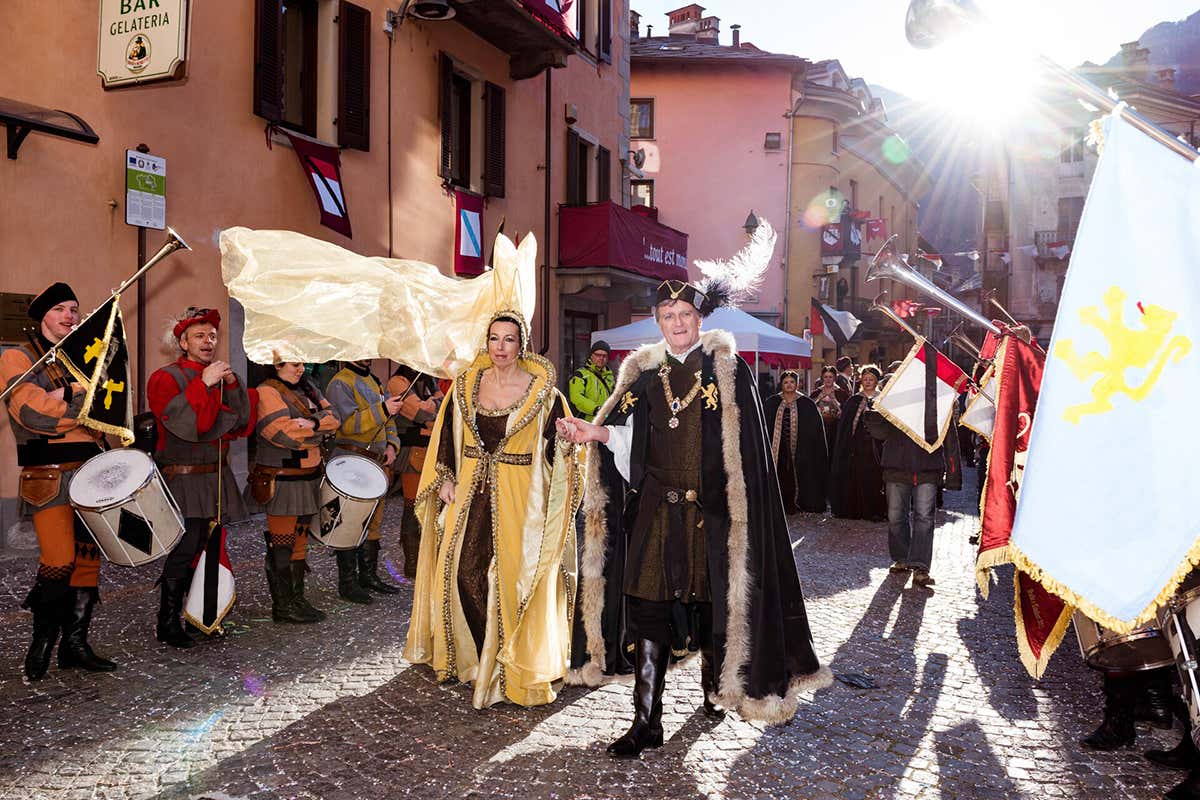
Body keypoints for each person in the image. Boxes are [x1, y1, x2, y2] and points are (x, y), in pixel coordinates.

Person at [559, 277, 830, 758]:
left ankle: (714, 687)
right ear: (659, 322)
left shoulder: (727, 370)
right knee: (648, 613)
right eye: (668, 315)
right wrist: (594, 434)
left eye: (685, 314)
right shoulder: (642, 375)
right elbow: (627, 440)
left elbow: (747, 456)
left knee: (713, 605)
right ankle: (647, 722)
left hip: (713, 517)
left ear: (699, 319)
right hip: (657, 514)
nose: (677, 323)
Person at [403, 311, 581, 709]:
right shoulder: (466, 386)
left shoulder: (544, 395)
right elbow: (448, 436)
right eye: (494, 339)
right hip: (469, 493)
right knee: (464, 573)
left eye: (509, 340)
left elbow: (559, 448)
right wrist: (446, 477)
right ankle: (474, 657)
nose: (500, 348)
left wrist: (569, 442)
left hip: (519, 498)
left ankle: (506, 665)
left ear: (522, 345)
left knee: (512, 580)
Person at [1, 282, 115, 679]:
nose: (70, 315)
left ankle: (75, 646)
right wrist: (81, 401)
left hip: (91, 472)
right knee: (58, 561)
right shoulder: (19, 358)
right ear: (43, 315)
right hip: (48, 476)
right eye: (61, 309)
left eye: (74, 309)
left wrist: (69, 394)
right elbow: (33, 413)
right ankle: (41, 647)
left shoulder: (81, 361)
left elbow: (108, 415)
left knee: (87, 562)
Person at [147, 307, 253, 647]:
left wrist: (232, 384)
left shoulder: (218, 376)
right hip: (185, 478)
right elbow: (185, 425)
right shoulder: (165, 377)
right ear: (182, 341)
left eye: (213, 336)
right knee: (185, 548)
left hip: (214, 478)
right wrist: (203, 384)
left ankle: (199, 614)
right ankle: (167, 622)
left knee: (208, 548)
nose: (208, 342)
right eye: (199, 336)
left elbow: (240, 422)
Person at [250, 358, 340, 624]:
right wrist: (318, 431)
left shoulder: (309, 387)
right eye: (293, 364)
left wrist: (310, 425)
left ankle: (296, 598)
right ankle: (283, 605)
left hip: (307, 478)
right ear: (276, 365)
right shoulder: (267, 391)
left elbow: (335, 419)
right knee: (281, 544)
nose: (301, 369)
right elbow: (281, 433)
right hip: (282, 480)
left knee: (300, 542)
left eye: (302, 363)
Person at [326, 360, 403, 603]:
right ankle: (347, 583)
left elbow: (389, 421)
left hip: (376, 463)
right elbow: (347, 426)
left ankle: (368, 575)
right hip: (351, 461)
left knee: (373, 521)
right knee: (349, 522)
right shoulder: (340, 382)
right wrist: (382, 409)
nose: (368, 354)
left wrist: (392, 445)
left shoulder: (375, 380)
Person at [864, 400, 961, 587]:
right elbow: (880, 433)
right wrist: (874, 412)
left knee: (924, 517)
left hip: (927, 468)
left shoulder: (938, 401)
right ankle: (902, 557)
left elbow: (950, 438)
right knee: (895, 516)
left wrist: (953, 474)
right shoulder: (896, 397)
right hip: (897, 467)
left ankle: (920, 565)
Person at [386, 365, 442, 579]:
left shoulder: (428, 379)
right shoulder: (398, 381)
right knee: (412, 506)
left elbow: (443, 405)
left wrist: (431, 405)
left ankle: (425, 559)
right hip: (412, 454)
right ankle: (412, 562)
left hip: (430, 451)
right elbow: (418, 412)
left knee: (430, 507)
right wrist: (431, 406)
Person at [762, 370, 827, 514]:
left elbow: (815, 429)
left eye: (792, 382)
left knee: (799, 473)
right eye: (786, 382)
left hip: (801, 449)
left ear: (797, 384)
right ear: (781, 384)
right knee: (780, 473)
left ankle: (799, 502)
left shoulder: (807, 404)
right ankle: (778, 503)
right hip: (778, 448)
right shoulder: (772, 402)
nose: (789, 385)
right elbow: (764, 425)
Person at [829, 365, 887, 521]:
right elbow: (846, 427)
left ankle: (875, 510)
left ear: (876, 381)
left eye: (871, 380)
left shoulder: (883, 399)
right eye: (865, 379)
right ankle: (857, 509)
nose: (868, 382)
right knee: (857, 476)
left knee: (876, 479)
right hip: (857, 447)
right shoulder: (853, 400)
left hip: (878, 447)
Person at [568, 340, 615, 422]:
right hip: (586, 422)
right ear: (591, 356)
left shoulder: (610, 376)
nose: (601, 358)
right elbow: (576, 397)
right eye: (598, 355)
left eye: (604, 356)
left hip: (605, 421)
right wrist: (596, 409)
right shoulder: (581, 374)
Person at [810, 366, 849, 459]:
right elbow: (810, 409)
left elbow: (847, 411)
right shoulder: (816, 393)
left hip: (836, 428)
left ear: (835, 378)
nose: (828, 379)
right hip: (820, 427)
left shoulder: (842, 394)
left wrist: (841, 412)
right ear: (822, 378)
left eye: (830, 377)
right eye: (825, 377)